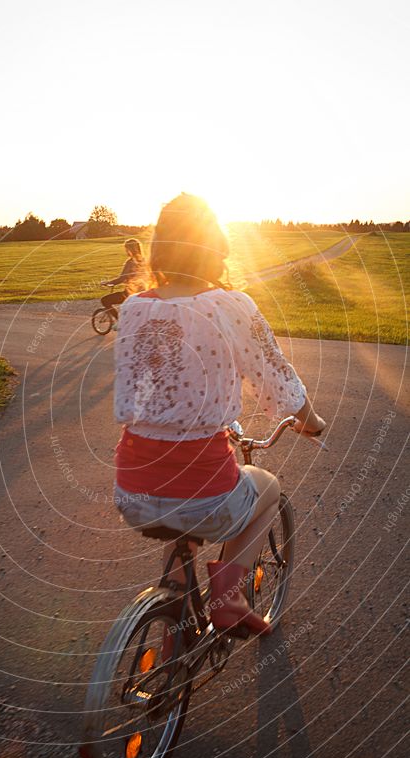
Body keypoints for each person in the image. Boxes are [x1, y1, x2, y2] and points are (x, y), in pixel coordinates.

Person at [112, 194, 326, 636]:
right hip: (202, 486)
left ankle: (174, 625)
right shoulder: (228, 305)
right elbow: (274, 374)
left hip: (132, 488)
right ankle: (230, 599)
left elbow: (144, 389)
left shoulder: (134, 308)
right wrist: (310, 420)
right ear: (216, 246)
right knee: (267, 488)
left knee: (176, 518)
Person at [100, 239, 149, 325]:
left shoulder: (130, 262)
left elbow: (121, 279)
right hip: (144, 291)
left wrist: (108, 283)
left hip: (130, 293)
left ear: (130, 249)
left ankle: (120, 322)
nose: (126, 251)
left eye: (126, 249)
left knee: (105, 300)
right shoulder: (145, 261)